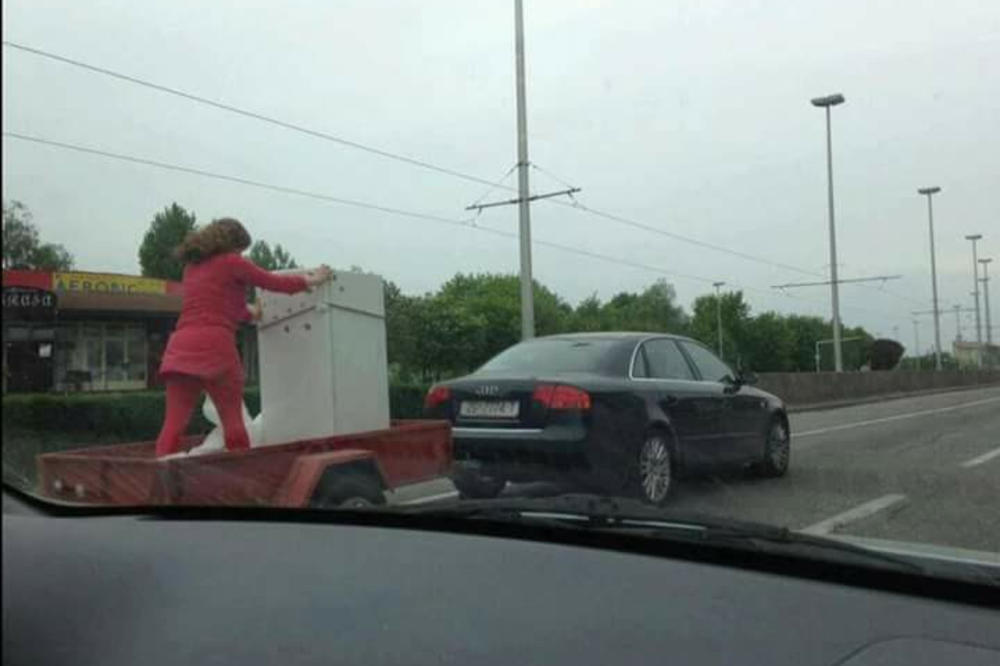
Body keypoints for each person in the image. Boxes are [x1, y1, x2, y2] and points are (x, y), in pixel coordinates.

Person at [154, 218, 332, 457]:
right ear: (233, 244)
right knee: (233, 423)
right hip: (215, 346)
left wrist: (253, 314)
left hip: (180, 347)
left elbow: (224, 306)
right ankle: (243, 477)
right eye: (241, 248)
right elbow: (272, 282)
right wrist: (313, 279)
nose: (241, 253)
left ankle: (161, 480)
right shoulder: (232, 262)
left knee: (173, 425)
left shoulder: (192, 268)